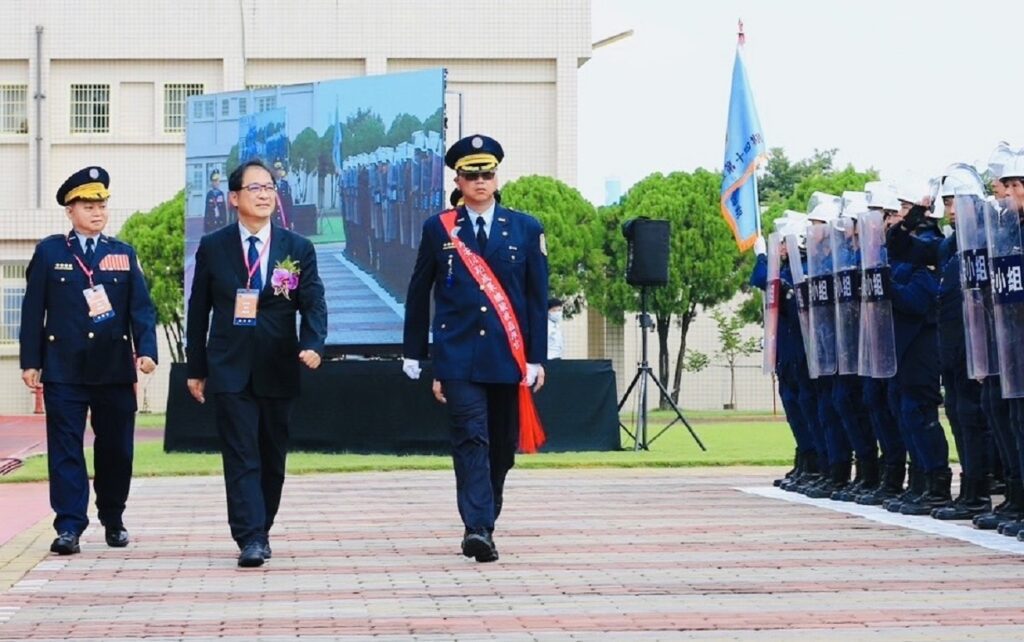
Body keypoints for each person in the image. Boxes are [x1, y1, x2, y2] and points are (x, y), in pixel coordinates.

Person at [402, 134, 549, 563]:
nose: (480, 181)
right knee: (470, 437)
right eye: (471, 175)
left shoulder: (525, 227)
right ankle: (477, 528)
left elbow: (537, 297)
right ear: (459, 180)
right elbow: (419, 291)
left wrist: (536, 358)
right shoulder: (440, 228)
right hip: (458, 355)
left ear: (496, 177)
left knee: (501, 445)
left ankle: (487, 516)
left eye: (487, 173)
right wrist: (415, 351)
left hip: (509, 354)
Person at [186, 159, 327, 568]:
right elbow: (199, 312)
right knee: (241, 452)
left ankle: (261, 528)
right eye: (255, 189)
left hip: (278, 364)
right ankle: (249, 535)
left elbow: (312, 301)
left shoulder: (296, 248)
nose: (265, 194)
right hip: (229, 366)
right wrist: (197, 367)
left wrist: (313, 342)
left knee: (271, 455)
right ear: (234, 198)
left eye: (269, 188)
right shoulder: (214, 246)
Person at [19, 166, 158, 555]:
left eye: (101, 204)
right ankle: (69, 526)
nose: (97, 212)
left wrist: (147, 350)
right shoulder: (50, 252)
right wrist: (30, 360)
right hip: (64, 367)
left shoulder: (123, 255)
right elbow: (33, 311)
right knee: (65, 447)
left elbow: (141, 310)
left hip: (112, 368)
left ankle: (113, 517)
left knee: (116, 448)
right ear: (70, 210)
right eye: (87, 204)